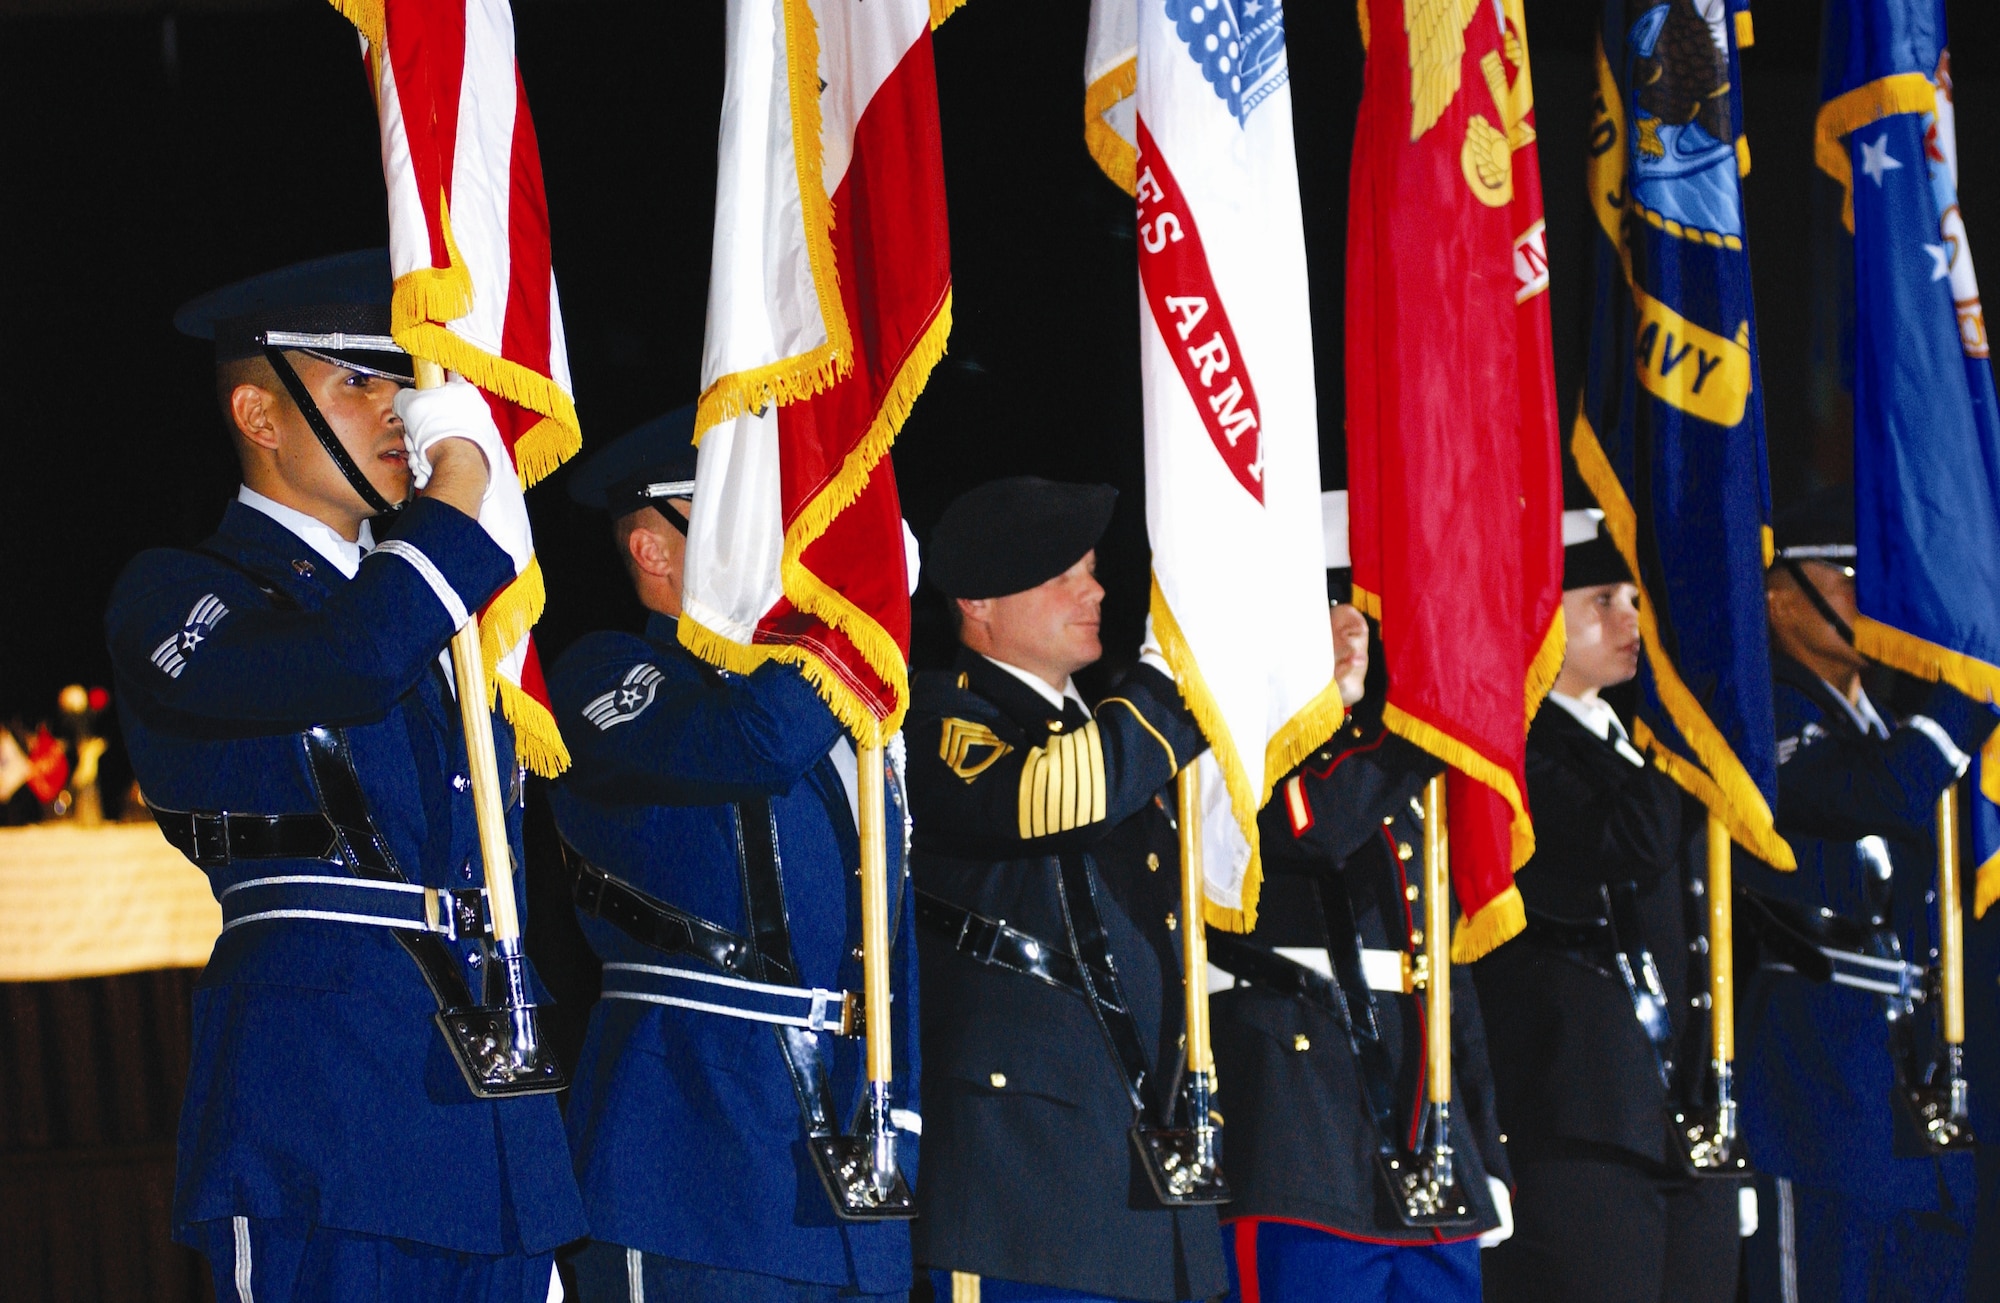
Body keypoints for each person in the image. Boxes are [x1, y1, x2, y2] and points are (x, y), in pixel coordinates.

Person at [106, 251, 585, 1301]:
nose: (399, 413)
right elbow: (348, 661)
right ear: (259, 415)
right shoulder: (180, 591)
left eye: (404, 384)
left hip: (488, 1101)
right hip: (324, 1101)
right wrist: (456, 502)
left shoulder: (437, 613)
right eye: (357, 382)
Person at [544, 409, 921, 1303]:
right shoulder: (602, 675)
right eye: (743, 519)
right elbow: (745, 745)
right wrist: (854, 616)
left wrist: (897, 1115)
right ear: (655, 550)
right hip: (690, 1161)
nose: (783, 545)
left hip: (844, 1168)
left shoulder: (831, 703)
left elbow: (886, 937)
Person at [903, 476, 1228, 1303]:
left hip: (1146, 1186)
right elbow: (1053, 798)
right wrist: (1176, 680)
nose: (1098, 591)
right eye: (1064, 575)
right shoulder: (938, 715)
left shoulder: (1106, 736)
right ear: (977, 601)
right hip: (1027, 1190)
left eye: (1090, 567)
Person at [1205, 492, 1514, 1303]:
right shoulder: (1236, 742)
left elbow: (1443, 971)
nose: (1352, 631)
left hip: (1423, 1148)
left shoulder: (1385, 762)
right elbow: (1314, 829)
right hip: (1300, 1134)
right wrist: (1426, 718)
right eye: (1328, 605)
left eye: (1362, 611)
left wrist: (1484, 1144)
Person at [1473, 508, 1742, 1302]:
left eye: (1634, 599)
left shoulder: (1625, 739)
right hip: (1580, 1109)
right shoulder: (1514, 742)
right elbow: (1623, 840)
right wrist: (1682, 720)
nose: (1631, 621)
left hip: (1679, 1109)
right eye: (1603, 601)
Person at [1736, 487, 1998, 1303]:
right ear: (1781, 598)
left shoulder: (1885, 721)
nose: (1865, 594)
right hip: (1822, 1084)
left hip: (1916, 1091)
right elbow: (1872, 796)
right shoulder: (1758, 713)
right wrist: (1970, 683)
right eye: (1842, 576)